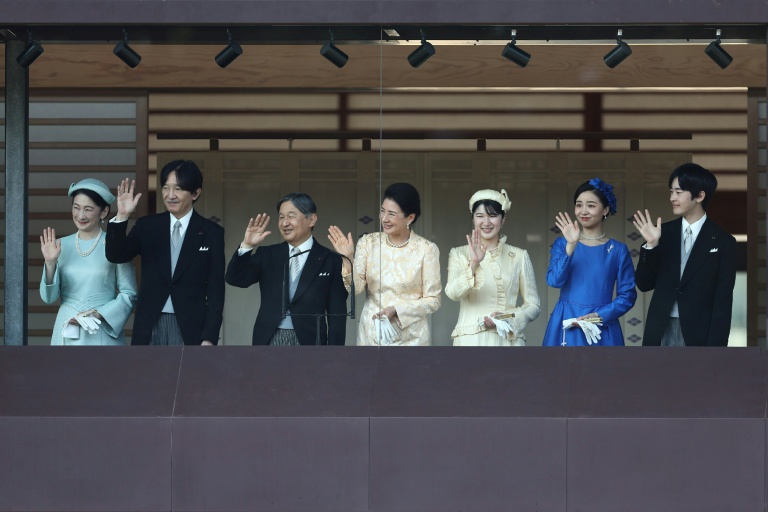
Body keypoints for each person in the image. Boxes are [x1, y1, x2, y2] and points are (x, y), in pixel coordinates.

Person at [105, 160, 225, 345]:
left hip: (191, 326)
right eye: (165, 188)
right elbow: (116, 255)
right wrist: (122, 216)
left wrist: (209, 337)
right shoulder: (147, 226)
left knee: (187, 374)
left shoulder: (211, 232)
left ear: (195, 193)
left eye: (178, 189)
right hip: (150, 324)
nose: (170, 195)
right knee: (148, 374)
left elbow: (216, 290)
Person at [633, 163, 737, 346]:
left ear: (700, 195)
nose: (672, 197)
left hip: (699, 331)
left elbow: (723, 300)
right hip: (660, 329)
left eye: (679, 192)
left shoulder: (723, 241)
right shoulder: (661, 234)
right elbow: (643, 283)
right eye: (671, 191)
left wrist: (716, 348)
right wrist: (651, 245)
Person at [225, 193, 348, 346]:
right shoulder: (268, 254)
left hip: (311, 342)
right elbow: (235, 279)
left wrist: (335, 355)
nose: (284, 223)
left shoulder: (330, 260)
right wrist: (246, 245)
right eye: (281, 217)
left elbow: (337, 314)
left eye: (291, 216)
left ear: (311, 220)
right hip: (268, 339)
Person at [328, 182, 441, 346]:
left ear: (410, 217)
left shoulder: (426, 249)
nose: (384, 219)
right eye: (382, 211)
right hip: (371, 336)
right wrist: (348, 258)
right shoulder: (368, 242)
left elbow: (433, 300)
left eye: (392, 214)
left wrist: (397, 310)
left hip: (411, 339)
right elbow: (357, 288)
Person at [39, 178, 137, 345]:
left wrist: (99, 314)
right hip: (67, 328)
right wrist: (50, 263)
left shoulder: (115, 245)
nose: (81, 215)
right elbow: (49, 298)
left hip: (100, 328)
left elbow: (129, 294)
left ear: (104, 212)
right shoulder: (60, 246)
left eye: (88, 209)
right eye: (76, 208)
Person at [542, 178, 637, 346]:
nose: (583, 211)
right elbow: (554, 281)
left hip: (602, 323)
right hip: (566, 319)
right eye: (579, 205)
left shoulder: (618, 250)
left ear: (605, 210)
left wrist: (601, 316)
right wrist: (571, 246)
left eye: (591, 205)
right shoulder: (562, 243)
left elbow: (627, 295)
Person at [445, 188, 540, 346]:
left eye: (493, 216)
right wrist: (474, 264)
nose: (486, 222)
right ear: (473, 219)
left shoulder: (519, 255)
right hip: (470, 341)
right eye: (480, 216)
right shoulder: (458, 253)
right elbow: (453, 293)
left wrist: (507, 317)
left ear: (503, 220)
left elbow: (533, 305)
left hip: (508, 340)